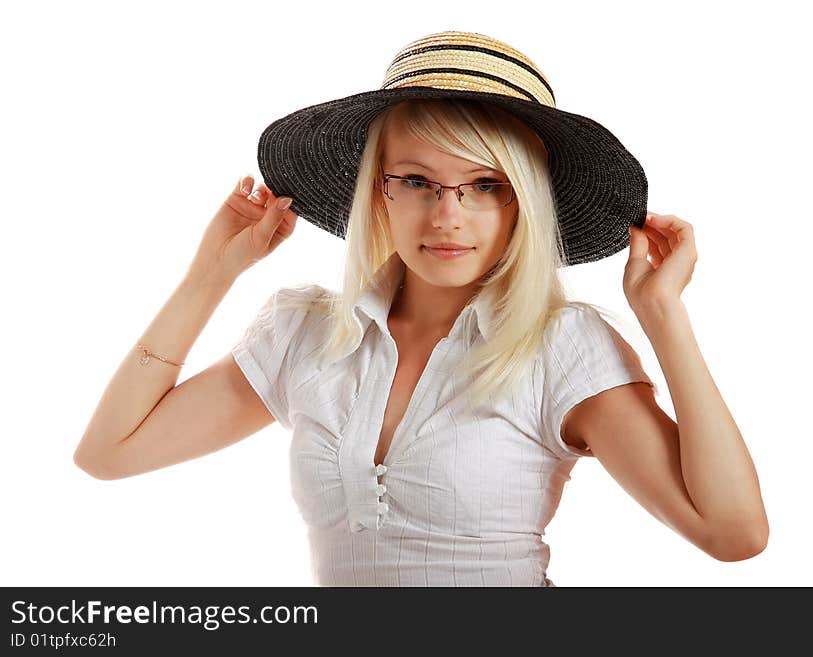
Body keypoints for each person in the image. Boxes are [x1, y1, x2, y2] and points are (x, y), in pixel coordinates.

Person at [73, 31, 769, 586]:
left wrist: (662, 315)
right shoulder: (303, 333)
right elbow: (109, 451)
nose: (447, 215)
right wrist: (211, 272)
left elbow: (734, 533)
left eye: (484, 185)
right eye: (418, 180)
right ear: (382, 191)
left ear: (522, 201)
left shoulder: (563, 346)